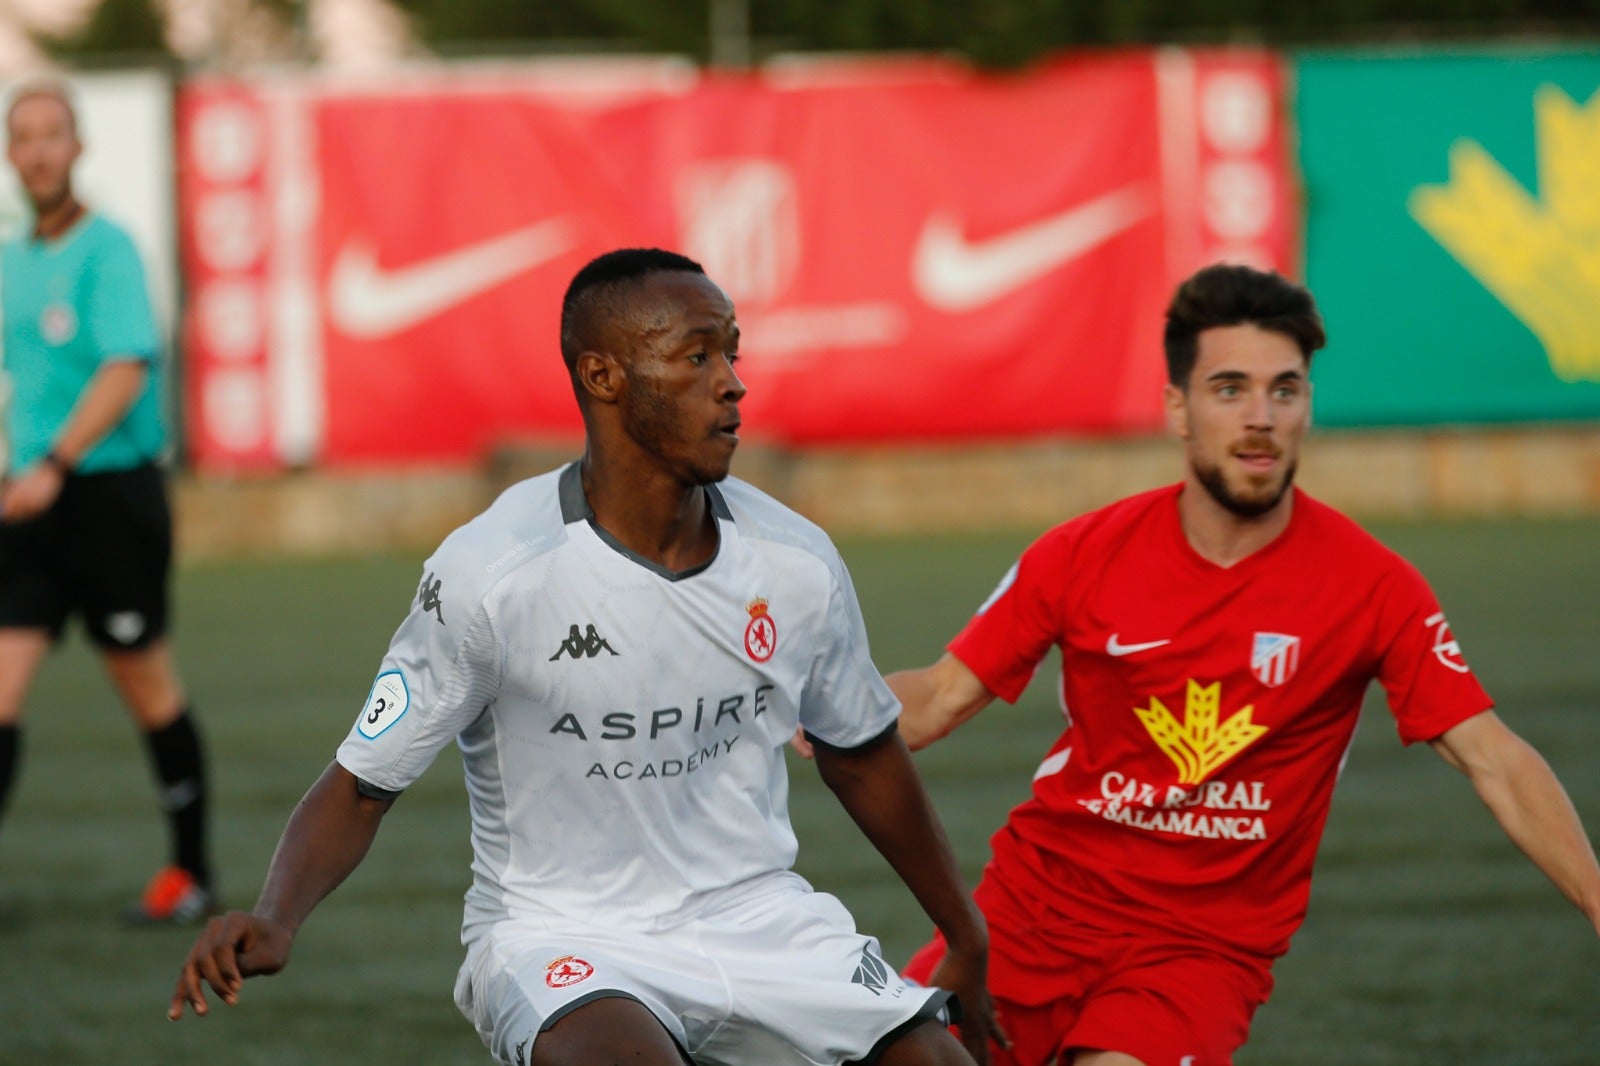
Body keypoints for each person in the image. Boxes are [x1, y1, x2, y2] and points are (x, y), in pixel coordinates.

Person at [169, 248, 998, 1066]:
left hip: (760, 921)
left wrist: (963, 929)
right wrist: (277, 916)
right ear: (603, 377)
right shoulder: (492, 573)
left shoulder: (797, 561)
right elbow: (362, 784)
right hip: (561, 939)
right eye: (697, 355)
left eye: (732, 353)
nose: (733, 382)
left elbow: (861, 754)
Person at [885, 264, 1600, 1065]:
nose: (1261, 417)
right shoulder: (1082, 554)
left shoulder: (1373, 586)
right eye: (1230, 389)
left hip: (1196, 954)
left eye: (1285, 390)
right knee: (898, 1056)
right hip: (1031, 917)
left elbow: (1494, 758)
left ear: (1307, 407)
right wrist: (810, 696)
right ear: (1178, 410)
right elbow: (937, 699)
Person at [0, 81, 215, 923]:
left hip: (109, 499)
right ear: (13, 156)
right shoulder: (14, 260)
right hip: (30, 504)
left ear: (78, 147)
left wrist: (55, 460)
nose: (41, 151)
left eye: (55, 135)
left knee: (147, 687)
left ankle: (190, 874)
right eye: (25, 138)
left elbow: (126, 367)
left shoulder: (111, 249)